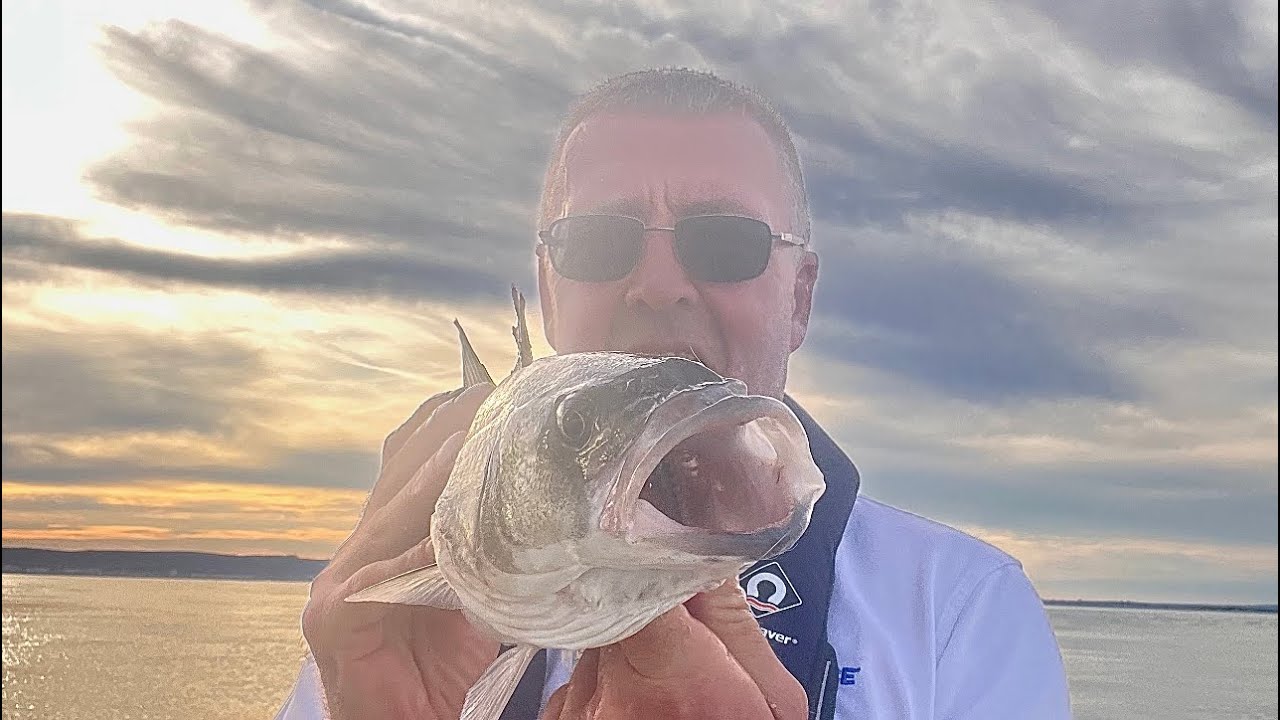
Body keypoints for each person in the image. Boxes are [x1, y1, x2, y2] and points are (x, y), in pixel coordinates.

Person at [275, 68, 1072, 719]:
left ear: (798, 300)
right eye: (598, 241)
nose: (656, 286)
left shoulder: (957, 613)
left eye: (725, 240)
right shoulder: (391, 624)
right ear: (548, 295)